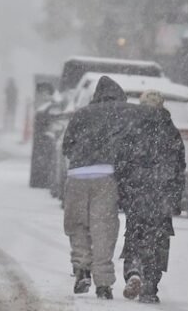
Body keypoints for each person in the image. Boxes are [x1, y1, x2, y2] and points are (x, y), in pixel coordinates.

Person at [60, 75, 137, 299]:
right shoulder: (121, 115)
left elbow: (67, 146)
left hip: (76, 176)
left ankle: (82, 269)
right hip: (105, 176)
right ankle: (103, 283)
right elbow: (128, 148)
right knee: (103, 229)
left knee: (78, 225)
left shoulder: (81, 114)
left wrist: (80, 158)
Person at [116, 89, 186, 304]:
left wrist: (122, 191)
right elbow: (179, 167)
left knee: (135, 234)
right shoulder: (170, 130)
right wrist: (175, 198)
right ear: (162, 105)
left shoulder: (131, 127)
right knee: (158, 241)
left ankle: (134, 270)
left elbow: (122, 160)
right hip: (162, 194)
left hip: (137, 193)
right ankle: (149, 287)